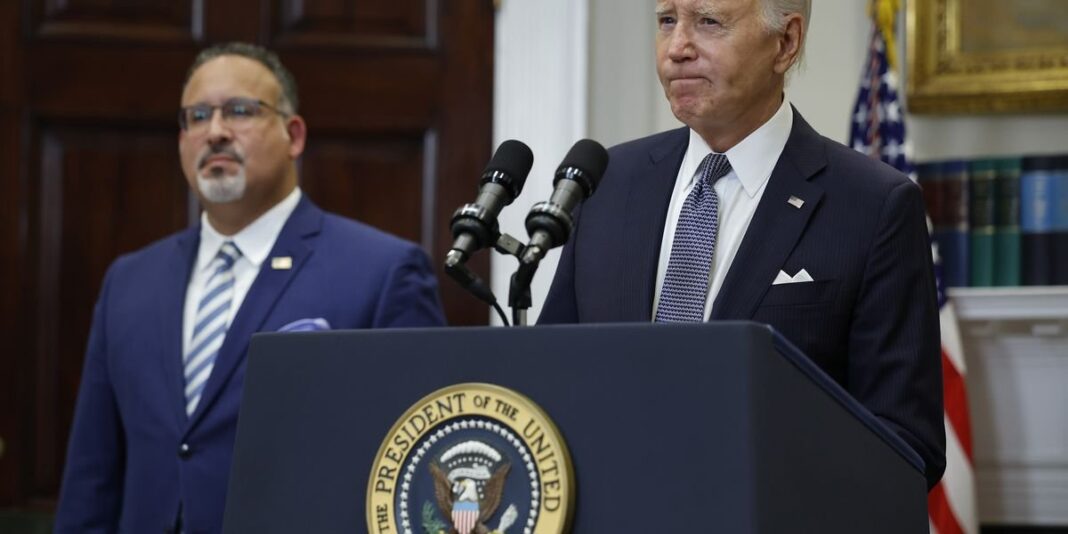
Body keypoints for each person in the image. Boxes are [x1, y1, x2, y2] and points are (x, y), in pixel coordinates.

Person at [539, 0, 946, 489]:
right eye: (667, 21)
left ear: (786, 42)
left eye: (708, 21)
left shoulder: (873, 205)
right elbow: (549, 383)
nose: (677, 48)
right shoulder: (606, 182)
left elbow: (905, 446)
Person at [54, 42, 446, 533]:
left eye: (239, 111)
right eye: (197, 116)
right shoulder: (129, 281)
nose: (215, 131)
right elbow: (92, 475)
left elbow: (416, 469)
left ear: (293, 135)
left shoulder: (382, 272)